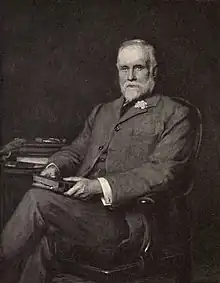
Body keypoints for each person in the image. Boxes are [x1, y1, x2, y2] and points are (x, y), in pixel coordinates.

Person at [0, 39, 194, 283]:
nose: (131, 76)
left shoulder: (175, 113)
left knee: (37, 200)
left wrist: (97, 186)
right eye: (124, 69)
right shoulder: (103, 111)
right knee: (40, 239)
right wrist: (54, 166)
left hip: (126, 221)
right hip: (81, 213)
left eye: (139, 68)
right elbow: (76, 151)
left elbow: (162, 172)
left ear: (153, 70)